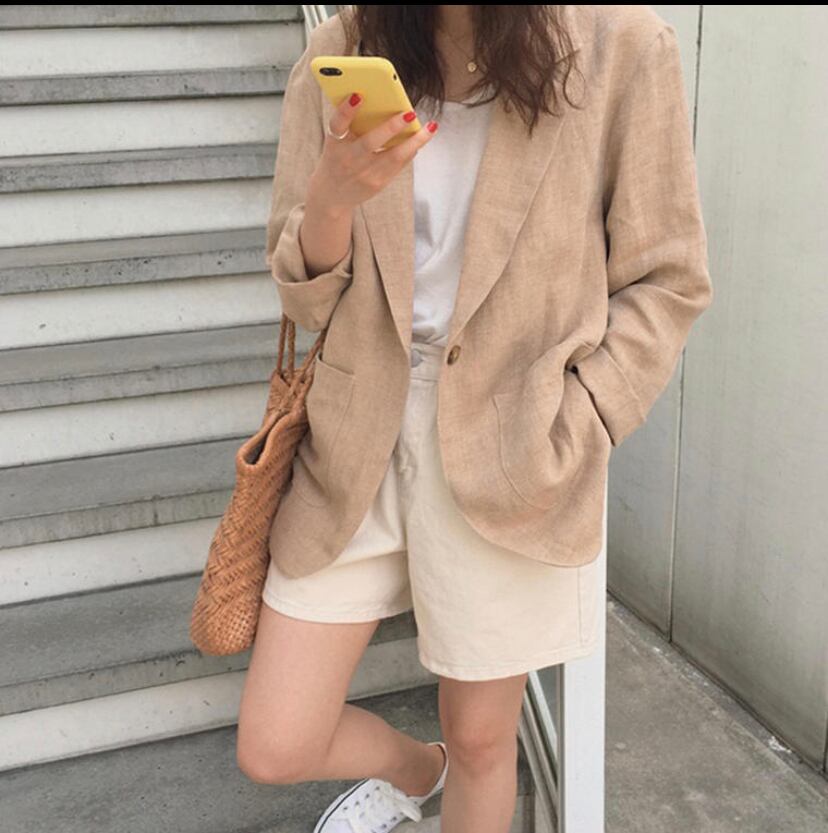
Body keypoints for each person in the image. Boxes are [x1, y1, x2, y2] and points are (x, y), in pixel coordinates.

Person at [237, 6, 713, 832]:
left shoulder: (623, 49)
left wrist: (585, 417)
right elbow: (305, 298)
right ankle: (414, 768)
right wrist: (332, 200)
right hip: (355, 432)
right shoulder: (343, 50)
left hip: (516, 434)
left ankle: (449, 765)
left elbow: (667, 279)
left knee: (484, 739)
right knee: (276, 743)